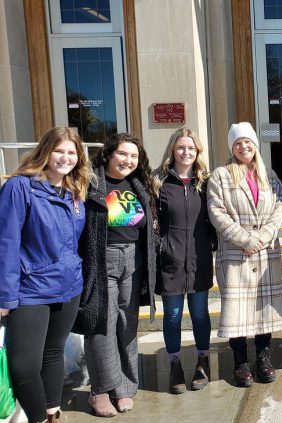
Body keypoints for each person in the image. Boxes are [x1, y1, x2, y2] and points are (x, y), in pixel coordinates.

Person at [0, 127, 89, 423]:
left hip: (68, 289)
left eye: (72, 152)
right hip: (29, 291)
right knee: (24, 367)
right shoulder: (20, 187)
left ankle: (53, 413)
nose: (65, 158)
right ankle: (38, 418)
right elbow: (7, 243)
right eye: (59, 151)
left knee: (53, 354)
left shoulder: (75, 191)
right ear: (45, 152)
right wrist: (5, 296)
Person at [74, 133, 157, 417]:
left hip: (133, 257)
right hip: (102, 257)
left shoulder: (138, 184)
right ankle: (101, 390)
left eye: (133, 156)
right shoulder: (91, 183)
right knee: (101, 324)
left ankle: (123, 387)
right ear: (109, 153)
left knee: (127, 323)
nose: (128, 160)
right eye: (123, 154)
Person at [207, 122, 282, 387]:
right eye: (237, 143)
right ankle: (241, 363)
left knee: (263, 308)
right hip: (236, 253)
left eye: (247, 142)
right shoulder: (220, 175)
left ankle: (263, 358)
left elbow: (280, 206)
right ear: (232, 148)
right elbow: (216, 212)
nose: (244, 147)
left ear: (255, 144)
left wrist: (263, 237)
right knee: (238, 311)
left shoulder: (269, 175)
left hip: (265, 252)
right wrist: (245, 239)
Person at [152, 127, 216, 394]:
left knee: (200, 313)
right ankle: (175, 365)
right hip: (171, 259)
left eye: (191, 148)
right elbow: (153, 222)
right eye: (181, 147)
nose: (186, 152)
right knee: (173, 315)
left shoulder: (207, 182)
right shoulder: (158, 181)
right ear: (172, 150)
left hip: (199, 257)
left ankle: (203, 361)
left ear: (197, 151)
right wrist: (161, 246)